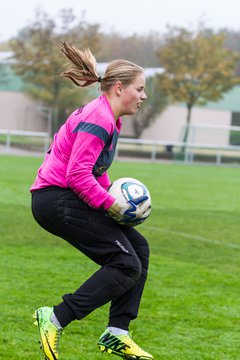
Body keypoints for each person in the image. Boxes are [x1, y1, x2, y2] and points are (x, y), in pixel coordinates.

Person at [31, 41, 153, 360]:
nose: (143, 96)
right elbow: (77, 175)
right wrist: (110, 204)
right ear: (118, 88)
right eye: (139, 89)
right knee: (125, 263)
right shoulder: (99, 119)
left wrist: (111, 197)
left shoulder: (110, 118)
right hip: (55, 199)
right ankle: (55, 318)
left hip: (66, 197)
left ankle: (117, 333)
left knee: (138, 249)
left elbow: (95, 172)